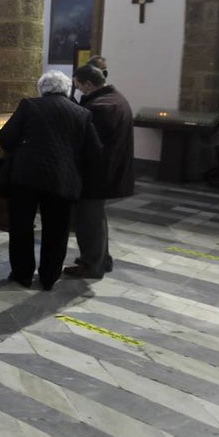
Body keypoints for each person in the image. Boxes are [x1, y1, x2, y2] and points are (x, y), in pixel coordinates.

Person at [0, 70, 102, 290]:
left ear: (42, 89)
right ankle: (49, 276)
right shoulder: (81, 113)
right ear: (67, 90)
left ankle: (23, 274)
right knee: (57, 229)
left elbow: (6, 137)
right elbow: (94, 150)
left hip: (26, 176)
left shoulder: (29, 105)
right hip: (62, 179)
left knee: (22, 227)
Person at [65, 63, 134, 278]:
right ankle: (102, 258)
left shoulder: (101, 107)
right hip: (107, 172)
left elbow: (88, 143)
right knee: (96, 218)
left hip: (96, 174)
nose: (79, 91)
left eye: (80, 86)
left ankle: (91, 265)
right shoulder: (116, 98)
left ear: (88, 83)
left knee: (88, 221)